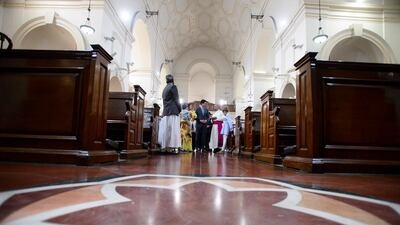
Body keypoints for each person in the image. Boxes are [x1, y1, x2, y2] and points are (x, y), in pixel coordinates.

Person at [160, 74, 181, 153]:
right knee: (173, 130)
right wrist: (179, 109)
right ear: (173, 80)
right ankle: (171, 147)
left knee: (167, 130)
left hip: (166, 111)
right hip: (173, 111)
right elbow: (176, 99)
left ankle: (165, 146)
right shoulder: (173, 87)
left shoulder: (165, 89)